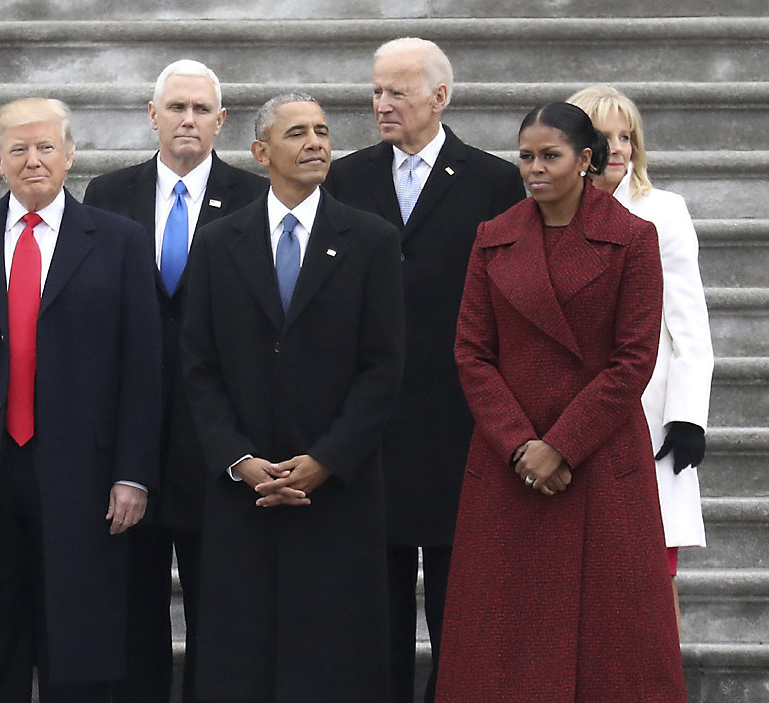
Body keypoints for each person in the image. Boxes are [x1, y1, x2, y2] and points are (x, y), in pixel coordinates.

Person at [0, 97, 162, 702]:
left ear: (70, 155)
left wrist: (133, 474)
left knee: (78, 645)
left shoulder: (119, 240)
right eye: (18, 148)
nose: (33, 159)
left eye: (46, 147)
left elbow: (143, 369)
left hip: (83, 473)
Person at [435, 102, 686, 701]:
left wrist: (562, 445)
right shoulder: (494, 238)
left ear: (585, 160)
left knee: (613, 644)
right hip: (508, 463)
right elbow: (472, 353)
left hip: (599, 462)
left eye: (550, 156)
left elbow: (634, 360)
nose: (534, 169)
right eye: (526, 156)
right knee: (502, 636)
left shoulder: (632, 238)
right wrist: (522, 444)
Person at [181, 93, 406, 703]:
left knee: (333, 658)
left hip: (336, 491)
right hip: (244, 491)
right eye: (297, 133)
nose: (315, 143)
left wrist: (327, 458)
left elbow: (384, 367)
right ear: (260, 152)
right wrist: (238, 459)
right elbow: (197, 367)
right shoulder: (217, 242)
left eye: (323, 132)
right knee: (241, 656)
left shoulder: (371, 240)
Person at [323, 37, 523, 703]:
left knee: (458, 610)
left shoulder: (495, 181)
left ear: (441, 97)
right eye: (376, 91)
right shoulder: (346, 178)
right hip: (368, 430)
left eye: (397, 92)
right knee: (369, 615)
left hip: (457, 428)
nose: (382, 104)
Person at [82, 58, 268, 703]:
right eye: (176, 107)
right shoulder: (108, 195)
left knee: (220, 608)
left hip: (217, 438)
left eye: (200, 110)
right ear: (152, 116)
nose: (187, 120)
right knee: (132, 608)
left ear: (221, 122)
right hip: (129, 437)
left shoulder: (253, 198)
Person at [569, 85, 714, 635]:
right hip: (567, 418)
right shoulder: (542, 213)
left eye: (627, 135)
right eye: (606, 137)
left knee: (653, 578)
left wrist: (687, 416)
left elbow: (688, 323)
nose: (620, 148)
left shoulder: (664, 212)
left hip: (646, 418)